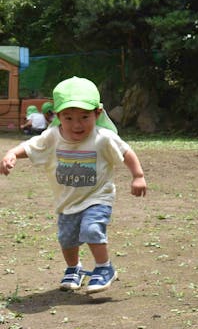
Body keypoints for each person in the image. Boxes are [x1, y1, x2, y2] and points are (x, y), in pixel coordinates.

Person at [1, 76, 147, 294]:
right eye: (68, 118)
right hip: (67, 201)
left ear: (97, 114)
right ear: (58, 116)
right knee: (67, 239)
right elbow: (31, 146)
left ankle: (104, 268)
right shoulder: (52, 136)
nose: (77, 124)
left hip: (98, 197)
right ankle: (73, 269)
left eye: (84, 117)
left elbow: (126, 152)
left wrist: (138, 175)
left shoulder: (103, 137)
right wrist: (12, 153)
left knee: (91, 229)